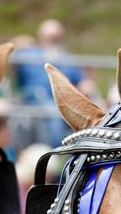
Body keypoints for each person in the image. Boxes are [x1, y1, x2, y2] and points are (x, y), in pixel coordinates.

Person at [14, 19, 96, 147]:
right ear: (41, 37)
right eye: (50, 37)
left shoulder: (67, 58)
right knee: (53, 111)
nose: (54, 40)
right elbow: (9, 64)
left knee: (93, 106)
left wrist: (86, 83)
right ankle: (56, 151)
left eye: (57, 37)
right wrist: (17, 45)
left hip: (64, 100)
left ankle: (91, 147)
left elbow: (81, 81)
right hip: (35, 100)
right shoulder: (28, 54)